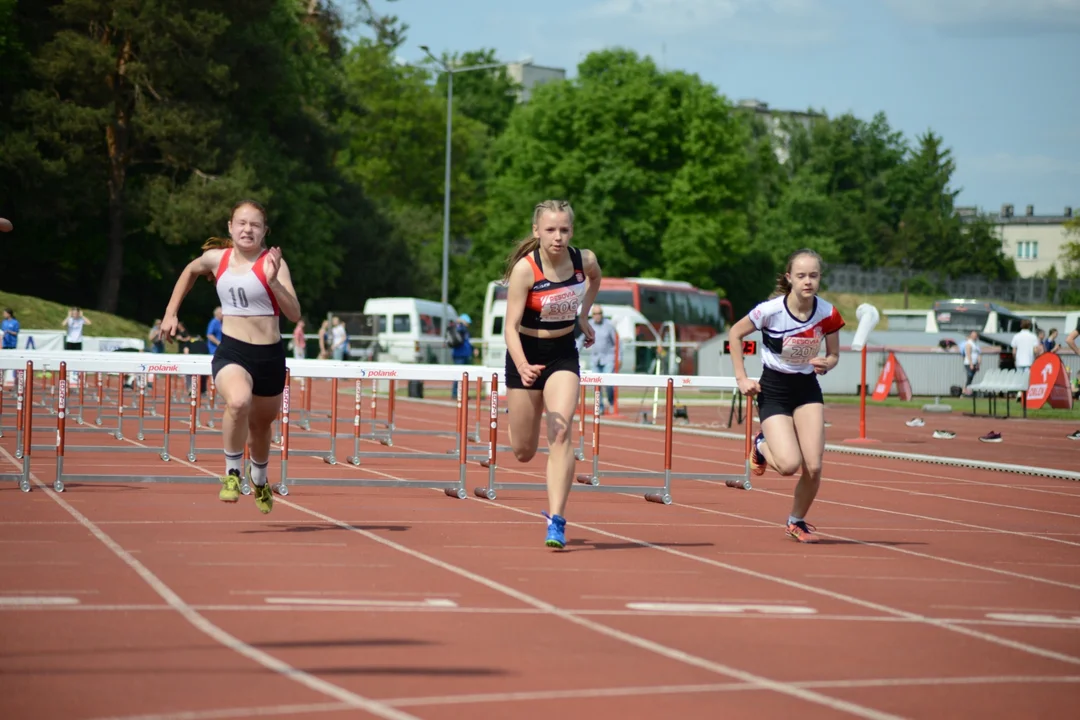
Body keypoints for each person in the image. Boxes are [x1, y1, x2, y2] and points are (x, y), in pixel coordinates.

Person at [159, 200, 301, 514]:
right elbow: (189, 270)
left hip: (269, 356)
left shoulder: (272, 264)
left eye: (255, 225)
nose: (247, 229)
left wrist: (275, 281)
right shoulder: (216, 259)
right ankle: (231, 473)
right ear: (230, 226)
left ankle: (260, 479)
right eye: (241, 223)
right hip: (233, 350)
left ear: (265, 231)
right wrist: (170, 313)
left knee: (261, 427)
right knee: (237, 402)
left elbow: (294, 313)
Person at [727, 248, 844, 544]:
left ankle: (796, 521)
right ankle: (761, 445)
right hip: (775, 390)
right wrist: (742, 378)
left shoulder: (827, 313)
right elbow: (735, 334)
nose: (808, 282)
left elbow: (833, 355)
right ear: (789, 278)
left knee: (814, 466)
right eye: (802, 276)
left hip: (806, 388)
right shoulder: (770, 311)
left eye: (814, 276)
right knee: (789, 466)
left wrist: (826, 364)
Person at [503, 200, 601, 549]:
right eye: (550, 230)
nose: (557, 237)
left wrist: (584, 316)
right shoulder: (525, 271)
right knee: (523, 451)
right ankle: (520, 412)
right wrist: (522, 364)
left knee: (560, 432)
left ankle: (556, 520)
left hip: (562, 354)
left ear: (571, 231)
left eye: (564, 230)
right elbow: (509, 328)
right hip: (525, 354)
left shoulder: (583, 260)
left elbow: (595, 278)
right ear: (537, 232)